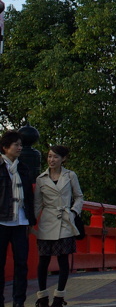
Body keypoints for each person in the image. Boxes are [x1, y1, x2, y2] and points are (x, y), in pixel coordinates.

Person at [33, 145, 84, 307]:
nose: (51, 160)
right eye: (49, 156)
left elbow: (79, 197)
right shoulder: (41, 179)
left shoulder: (70, 176)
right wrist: (30, 223)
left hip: (65, 221)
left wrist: (74, 212)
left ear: (63, 159)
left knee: (63, 260)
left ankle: (59, 297)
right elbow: (37, 204)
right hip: (47, 222)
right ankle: (42, 297)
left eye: (55, 157)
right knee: (43, 261)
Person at [0, 130, 37, 307]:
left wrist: (31, 220)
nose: (20, 147)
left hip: (20, 220)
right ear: (5, 147)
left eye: (21, 144)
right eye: (16, 144)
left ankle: (18, 301)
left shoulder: (22, 168)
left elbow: (29, 196)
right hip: (2, 220)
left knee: (21, 263)